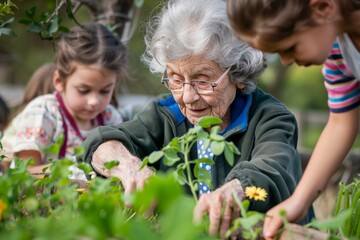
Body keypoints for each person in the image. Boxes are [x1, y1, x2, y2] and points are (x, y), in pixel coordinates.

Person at [78, 0, 313, 238]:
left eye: (202, 80)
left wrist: (234, 190)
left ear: (238, 73)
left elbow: (271, 168)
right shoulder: (166, 112)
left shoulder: (271, 118)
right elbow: (100, 142)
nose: (188, 97)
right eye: (176, 79)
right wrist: (129, 167)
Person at [227, 0, 360, 239]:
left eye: (289, 47)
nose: (286, 61)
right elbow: (342, 123)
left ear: (323, 8)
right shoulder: (339, 48)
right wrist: (298, 201)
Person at [1, 23, 128, 177]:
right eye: (84, 90)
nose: (94, 101)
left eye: (105, 91)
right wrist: (71, 173)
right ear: (59, 82)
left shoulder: (111, 118)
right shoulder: (44, 114)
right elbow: (23, 173)